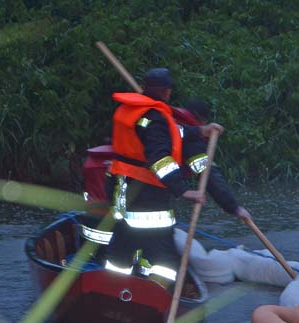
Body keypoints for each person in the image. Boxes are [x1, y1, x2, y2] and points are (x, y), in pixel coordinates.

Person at [103, 67, 250, 286]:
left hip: (120, 187)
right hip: (147, 195)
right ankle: (156, 296)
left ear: (144, 88)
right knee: (164, 260)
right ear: (167, 92)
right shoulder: (157, 119)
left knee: (122, 245)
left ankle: (112, 290)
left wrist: (200, 131)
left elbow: (172, 131)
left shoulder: (135, 111)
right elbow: (163, 159)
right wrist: (183, 190)